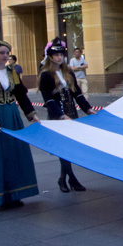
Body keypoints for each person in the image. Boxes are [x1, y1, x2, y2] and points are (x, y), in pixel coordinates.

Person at [0, 41, 40, 208]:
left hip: (12, 115)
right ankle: (1, 195)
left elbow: (21, 95)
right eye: (2, 52)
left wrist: (32, 114)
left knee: (15, 153)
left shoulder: (12, 72)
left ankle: (16, 194)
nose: (5, 56)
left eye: (7, 53)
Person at [38, 38, 97, 192]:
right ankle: (69, 179)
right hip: (58, 114)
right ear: (50, 56)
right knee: (63, 147)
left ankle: (64, 179)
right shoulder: (46, 74)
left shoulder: (68, 72)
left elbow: (77, 94)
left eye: (61, 54)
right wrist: (61, 116)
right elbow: (49, 99)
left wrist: (88, 109)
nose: (59, 57)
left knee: (68, 147)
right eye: (56, 54)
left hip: (71, 111)